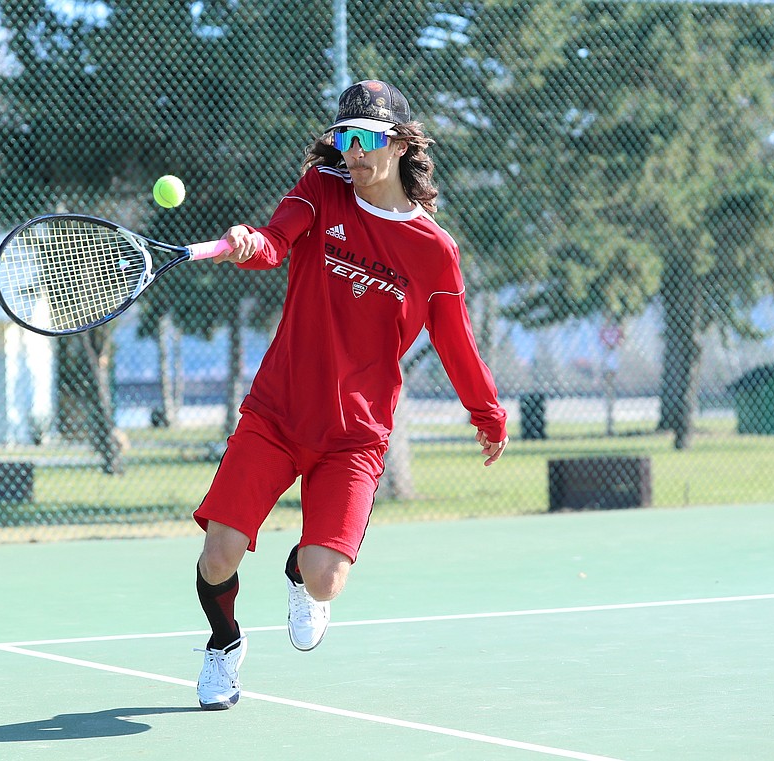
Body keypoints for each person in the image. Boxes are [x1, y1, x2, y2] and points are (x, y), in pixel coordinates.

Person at [191, 79, 508, 710]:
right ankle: (224, 644)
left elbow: (455, 340)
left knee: (325, 579)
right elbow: (276, 243)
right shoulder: (321, 189)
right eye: (343, 137)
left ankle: (298, 570)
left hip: (355, 434)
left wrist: (488, 413)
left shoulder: (434, 251)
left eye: (365, 139)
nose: (352, 153)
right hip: (277, 412)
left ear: (400, 145)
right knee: (220, 552)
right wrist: (253, 243)